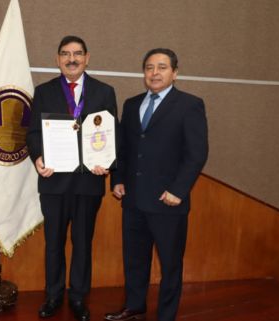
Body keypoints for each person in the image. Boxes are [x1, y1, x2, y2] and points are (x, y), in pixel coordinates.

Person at [105, 48, 208, 321]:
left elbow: (196, 154)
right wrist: (118, 180)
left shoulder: (190, 104)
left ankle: (166, 315)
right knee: (135, 260)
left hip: (168, 201)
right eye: (149, 67)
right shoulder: (131, 104)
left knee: (170, 265)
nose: (154, 73)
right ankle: (135, 307)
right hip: (134, 200)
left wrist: (178, 190)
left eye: (162, 67)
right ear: (144, 73)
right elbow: (124, 149)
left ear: (175, 72)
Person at [26, 35, 118, 321]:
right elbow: (33, 134)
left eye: (77, 53)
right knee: (53, 242)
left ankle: (78, 297)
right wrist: (38, 158)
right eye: (65, 54)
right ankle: (53, 295)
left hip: (89, 181)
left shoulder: (105, 91)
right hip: (54, 181)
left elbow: (111, 135)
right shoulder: (44, 91)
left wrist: (107, 163)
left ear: (87, 58)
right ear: (57, 59)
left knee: (82, 242)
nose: (72, 59)